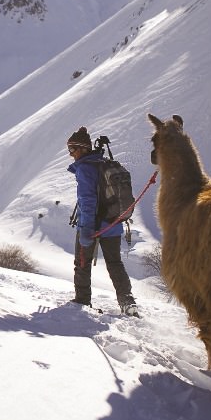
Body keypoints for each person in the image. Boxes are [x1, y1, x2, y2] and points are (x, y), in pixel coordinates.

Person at [67, 126, 140, 317]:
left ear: (82, 149)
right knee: (115, 263)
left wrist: (87, 229)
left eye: (72, 150)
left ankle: (82, 301)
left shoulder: (85, 168)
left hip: (92, 226)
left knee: (82, 263)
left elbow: (88, 200)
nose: (71, 154)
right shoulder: (102, 163)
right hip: (113, 224)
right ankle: (127, 301)